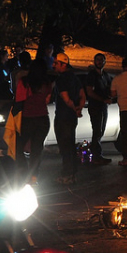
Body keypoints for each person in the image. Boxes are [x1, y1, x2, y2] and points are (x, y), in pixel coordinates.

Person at [15, 59, 53, 185]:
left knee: (18, 147)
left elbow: (19, 98)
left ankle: (23, 172)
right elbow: (47, 99)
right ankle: (34, 176)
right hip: (42, 118)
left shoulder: (25, 82)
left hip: (28, 118)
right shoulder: (46, 83)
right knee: (37, 149)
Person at [53, 52, 86, 185]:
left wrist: (74, 108)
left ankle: (66, 174)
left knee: (65, 146)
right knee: (71, 145)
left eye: (56, 63)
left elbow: (66, 99)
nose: (53, 65)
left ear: (63, 64)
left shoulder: (61, 80)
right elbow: (83, 95)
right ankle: (72, 174)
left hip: (63, 116)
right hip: (72, 118)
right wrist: (79, 109)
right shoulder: (74, 78)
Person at [85, 53, 113, 165]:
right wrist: (103, 99)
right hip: (95, 106)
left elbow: (110, 88)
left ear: (105, 62)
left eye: (102, 60)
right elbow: (89, 92)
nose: (100, 61)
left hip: (103, 107)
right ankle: (96, 156)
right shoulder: (92, 75)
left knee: (101, 131)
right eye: (97, 59)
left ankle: (95, 153)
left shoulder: (106, 75)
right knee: (97, 130)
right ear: (94, 61)